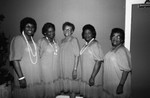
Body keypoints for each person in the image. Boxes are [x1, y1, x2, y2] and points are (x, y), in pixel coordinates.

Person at [9, 17, 42, 98]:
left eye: (32, 27)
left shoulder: (32, 40)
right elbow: (15, 60)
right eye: (28, 26)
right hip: (25, 75)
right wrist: (21, 77)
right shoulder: (18, 39)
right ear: (23, 27)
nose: (30, 28)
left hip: (35, 74)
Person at [102, 28, 132, 98]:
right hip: (111, 85)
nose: (115, 38)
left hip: (117, 86)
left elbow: (126, 70)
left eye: (118, 37)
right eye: (113, 36)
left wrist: (121, 85)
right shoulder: (113, 49)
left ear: (122, 39)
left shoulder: (122, 51)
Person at [79, 24, 104, 98]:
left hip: (93, 76)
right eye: (85, 33)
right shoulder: (86, 44)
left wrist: (92, 77)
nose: (87, 35)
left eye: (89, 33)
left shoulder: (95, 44)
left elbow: (98, 61)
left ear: (93, 33)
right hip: (86, 75)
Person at [37, 22, 60, 98]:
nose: (52, 33)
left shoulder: (55, 41)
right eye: (49, 31)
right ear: (45, 33)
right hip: (45, 71)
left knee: (52, 92)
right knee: (46, 92)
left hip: (54, 70)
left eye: (53, 31)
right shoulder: (42, 41)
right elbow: (38, 57)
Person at [59, 22, 80, 98]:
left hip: (71, 68)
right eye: (65, 29)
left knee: (72, 90)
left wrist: (75, 69)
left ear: (72, 31)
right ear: (63, 30)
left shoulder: (74, 40)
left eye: (69, 29)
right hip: (64, 68)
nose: (67, 31)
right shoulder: (61, 41)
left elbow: (77, 55)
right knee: (67, 89)